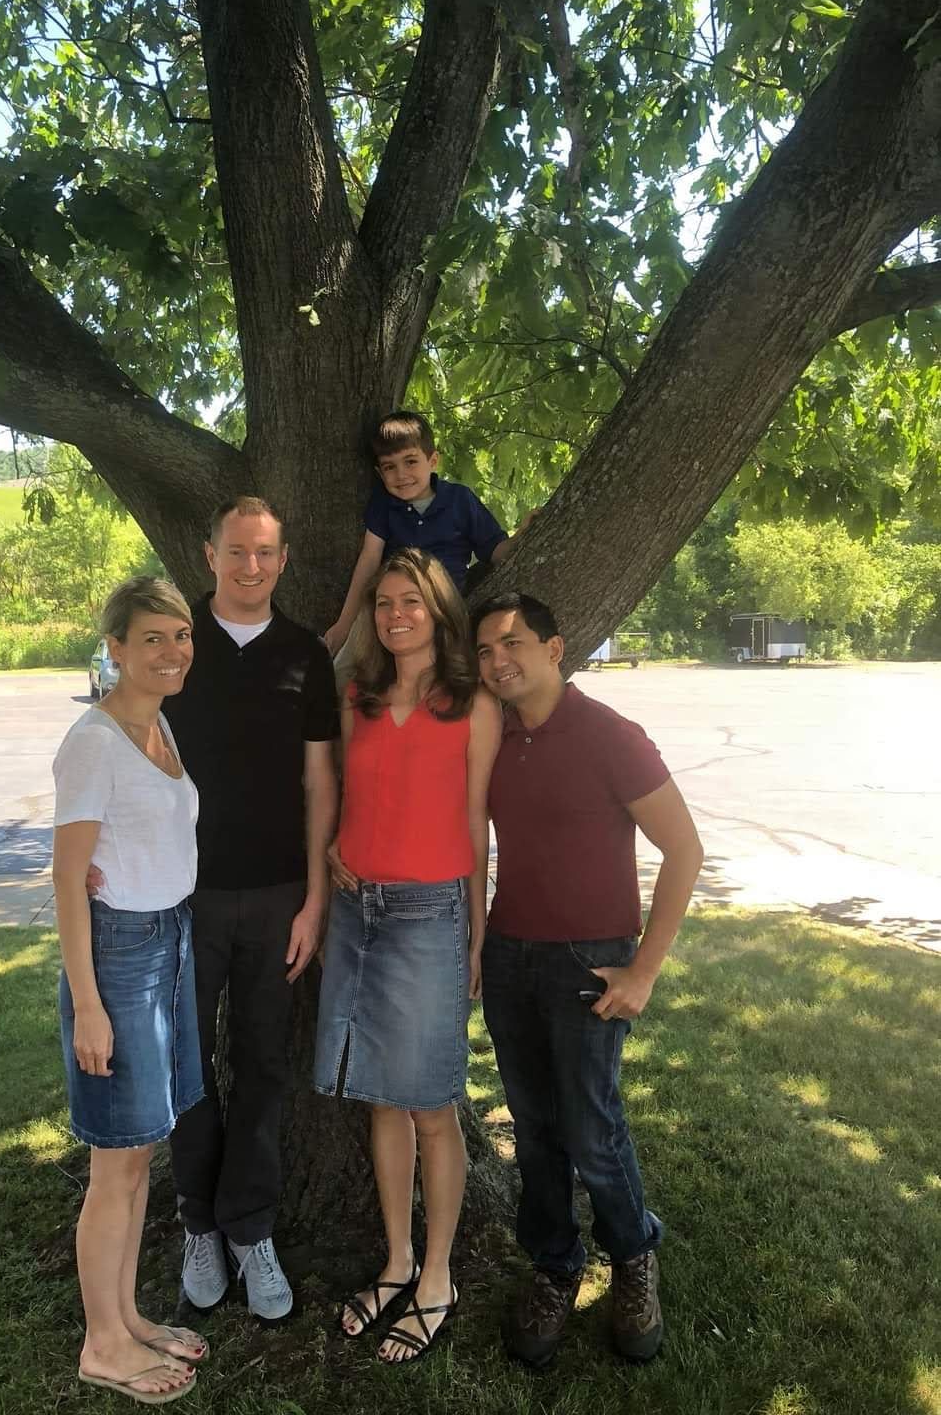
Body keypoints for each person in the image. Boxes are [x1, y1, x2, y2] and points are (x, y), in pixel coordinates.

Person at [473, 592, 704, 1369]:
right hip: (509, 955)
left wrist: (644, 970)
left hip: (588, 960)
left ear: (555, 648)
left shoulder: (611, 735)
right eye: (485, 650)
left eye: (512, 643)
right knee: (534, 1126)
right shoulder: (494, 736)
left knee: (591, 1128)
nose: (498, 660)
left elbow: (685, 850)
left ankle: (633, 1255)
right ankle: (554, 1265)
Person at [314, 548, 502, 1364]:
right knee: (380, 1101)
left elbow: (476, 825)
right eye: (385, 602)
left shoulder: (473, 703)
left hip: (430, 916)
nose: (395, 615)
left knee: (430, 1104)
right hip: (357, 913)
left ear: (439, 610)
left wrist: (476, 934)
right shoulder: (356, 696)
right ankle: (395, 1263)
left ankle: (437, 1277)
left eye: (411, 602)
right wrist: (333, 847)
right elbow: (345, 793)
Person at [159, 496, 339, 1321]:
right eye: (237, 551)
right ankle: (199, 1222)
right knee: (187, 1067)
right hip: (180, 895)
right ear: (210, 555)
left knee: (264, 1065)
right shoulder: (175, 644)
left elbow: (320, 782)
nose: (251, 566)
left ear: (283, 559)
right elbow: (130, 749)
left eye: (265, 552)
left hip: (276, 898)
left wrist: (314, 899)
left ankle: (250, 1227)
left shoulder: (305, 653)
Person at [52, 576, 208, 1404]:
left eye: (180, 636)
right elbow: (68, 879)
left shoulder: (159, 725)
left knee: (143, 1146)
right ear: (115, 647)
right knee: (115, 1160)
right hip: (119, 956)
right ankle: (102, 1344)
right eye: (152, 638)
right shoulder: (94, 741)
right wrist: (88, 1004)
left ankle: (126, 1316)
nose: (172, 652)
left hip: (169, 941)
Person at [323, 410, 534, 656]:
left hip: (443, 612)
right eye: (390, 467)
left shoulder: (459, 500)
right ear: (380, 473)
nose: (401, 474)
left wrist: (524, 534)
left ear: (433, 461)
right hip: (394, 612)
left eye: (410, 461)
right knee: (349, 664)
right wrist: (344, 623)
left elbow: (496, 551)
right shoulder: (383, 505)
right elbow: (369, 561)